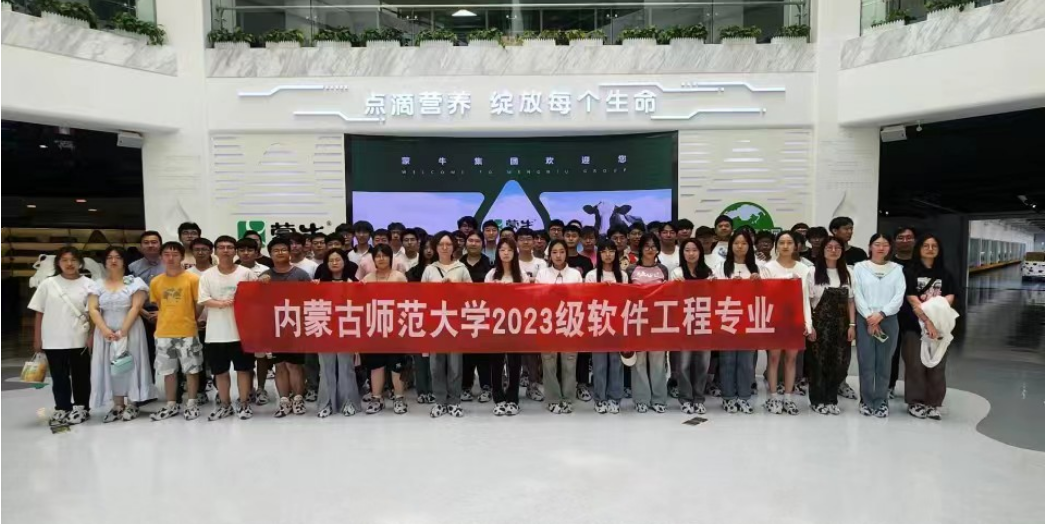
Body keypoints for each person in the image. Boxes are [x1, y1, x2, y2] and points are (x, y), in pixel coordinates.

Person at [88, 247, 156, 422]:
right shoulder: (97, 284)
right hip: (105, 331)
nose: (113, 261)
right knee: (110, 366)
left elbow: (135, 307)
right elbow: (93, 309)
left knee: (130, 364)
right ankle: (117, 404)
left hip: (131, 330)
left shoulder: (135, 282)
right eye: (109, 257)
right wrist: (105, 330)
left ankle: (133, 403)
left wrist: (123, 331)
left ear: (124, 261)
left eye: (118, 257)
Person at [30, 247, 94, 426]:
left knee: (81, 376)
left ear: (80, 262)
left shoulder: (89, 284)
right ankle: (62, 407)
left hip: (79, 339)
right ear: (58, 263)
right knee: (59, 377)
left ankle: (82, 407)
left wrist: (91, 336)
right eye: (65, 260)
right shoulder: (48, 284)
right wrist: (37, 338)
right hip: (53, 339)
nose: (69, 263)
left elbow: (94, 313)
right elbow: (39, 312)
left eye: (73, 260)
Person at [198, 236, 258, 421]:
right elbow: (204, 299)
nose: (225, 250)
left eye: (230, 247)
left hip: (242, 332)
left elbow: (257, 296)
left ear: (235, 251)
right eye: (222, 247)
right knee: (220, 372)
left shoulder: (246, 273)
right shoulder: (207, 275)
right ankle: (225, 405)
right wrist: (223, 303)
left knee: (244, 370)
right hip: (216, 333)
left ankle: (244, 403)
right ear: (215, 251)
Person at [713, 231, 769, 414]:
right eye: (736, 243)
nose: (740, 246)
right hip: (727, 319)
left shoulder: (759, 267)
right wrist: (728, 285)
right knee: (727, 360)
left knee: (746, 361)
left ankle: (744, 396)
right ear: (730, 246)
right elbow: (713, 292)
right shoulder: (721, 267)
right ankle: (728, 397)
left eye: (744, 243)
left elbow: (769, 292)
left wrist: (759, 283)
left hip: (749, 319)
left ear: (750, 246)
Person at [902, 234, 956, 421]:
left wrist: (936, 318)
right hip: (914, 326)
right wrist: (927, 321)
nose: (930, 249)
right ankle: (916, 402)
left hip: (940, 327)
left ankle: (933, 403)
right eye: (926, 245)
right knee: (915, 364)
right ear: (919, 249)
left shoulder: (945, 273)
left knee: (938, 365)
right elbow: (912, 299)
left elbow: (950, 297)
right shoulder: (909, 272)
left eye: (934, 246)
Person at [149, 242, 204, 421]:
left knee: (191, 369)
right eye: (166, 254)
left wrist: (190, 319)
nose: (170, 258)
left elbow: (199, 303)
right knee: (168, 371)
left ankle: (192, 403)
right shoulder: (156, 281)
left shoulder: (193, 279)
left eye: (175, 254)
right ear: (161, 257)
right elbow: (160, 305)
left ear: (182, 257)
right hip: (164, 332)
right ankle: (171, 404)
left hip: (187, 331)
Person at [853, 233, 906, 418]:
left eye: (885, 244)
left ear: (890, 248)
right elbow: (857, 293)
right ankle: (866, 400)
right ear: (870, 247)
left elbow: (899, 296)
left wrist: (881, 314)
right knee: (866, 361)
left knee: (884, 362)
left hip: (888, 319)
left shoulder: (897, 269)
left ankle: (881, 401)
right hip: (865, 319)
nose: (881, 248)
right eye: (877, 244)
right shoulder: (860, 268)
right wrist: (870, 316)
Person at [763, 232, 815, 416]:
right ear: (776, 246)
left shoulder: (804, 269)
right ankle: (773, 397)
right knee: (774, 358)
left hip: (795, 319)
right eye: (782, 242)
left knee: (791, 359)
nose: (785, 246)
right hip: (775, 319)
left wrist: (808, 323)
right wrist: (784, 283)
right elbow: (765, 295)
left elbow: (805, 299)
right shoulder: (768, 268)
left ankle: (788, 397)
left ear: (796, 246)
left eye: (789, 242)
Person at [260, 237, 313, 418]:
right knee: (279, 365)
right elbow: (257, 303)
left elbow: (311, 300)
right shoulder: (265, 276)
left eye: (283, 249)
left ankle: (298, 399)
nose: (280, 253)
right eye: (276, 250)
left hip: (296, 327)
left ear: (290, 252)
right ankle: (284, 401)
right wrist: (260, 286)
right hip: (274, 328)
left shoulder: (301, 275)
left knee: (295, 365)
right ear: (270, 254)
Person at [421, 232, 472, 418]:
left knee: (455, 365)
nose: (444, 247)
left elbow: (472, 293)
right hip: (435, 322)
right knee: (436, 364)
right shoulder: (429, 270)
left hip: (455, 321)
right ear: (435, 247)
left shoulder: (461, 268)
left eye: (448, 244)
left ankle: (454, 401)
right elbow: (422, 296)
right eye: (441, 244)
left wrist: (455, 287)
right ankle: (439, 401)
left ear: (454, 247)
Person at [806, 237, 856, 415]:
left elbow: (851, 301)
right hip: (819, 324)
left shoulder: (848, 273)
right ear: (823, 250)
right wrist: (809, 325)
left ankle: (831, 399)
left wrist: (852, 325)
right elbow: (807, 301)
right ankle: (817, 400)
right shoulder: (812, 272)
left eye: (837, 247)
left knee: (838, 363)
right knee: (818, 364)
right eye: (829, 247)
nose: (833, 250)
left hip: (842, 325)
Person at [360, 244, 410, 415]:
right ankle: (376, 398)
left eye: (384, 255)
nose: (381, 259)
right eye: (377, 256)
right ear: (373, 259)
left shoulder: (399, 277)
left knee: (396, 365)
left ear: (390, 258)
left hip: (396, 328)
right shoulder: (367, 279)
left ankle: (399, 397)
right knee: (376, 365)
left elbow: (407, 302)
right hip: (375, 328)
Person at [535, 239, 584, 414]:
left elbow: (581, 298)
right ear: (549, 255)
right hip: (548, 323)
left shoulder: (575, 274)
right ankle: (553, 398)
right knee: (549, 363)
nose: (558, 255)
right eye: (554, 252)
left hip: (570, 322)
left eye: (562, 252)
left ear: (566, 253)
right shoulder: (542, 274)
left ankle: (568, 398)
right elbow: (537, 297)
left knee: (570, 362)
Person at [626, 233, 671, 413]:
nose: (650, 249)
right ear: (641, 248)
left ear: (658, 249)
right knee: (640, 361)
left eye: (653, 246)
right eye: (647, 246)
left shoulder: (663, 269)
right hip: (637, 319)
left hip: (658, 320)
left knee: (658, 360)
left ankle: (659, 398)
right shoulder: (631, 270)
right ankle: (641, 398)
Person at [483, 238, 525, 416]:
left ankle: (513, 398)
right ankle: (498, 397)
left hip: (516, 324)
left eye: (509, 250)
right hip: (496, 324)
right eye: (502, 250)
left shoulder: (521, 275)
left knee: (515, 362)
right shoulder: (491, 274)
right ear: (497, 253)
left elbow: (527, 300)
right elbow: (485, 300)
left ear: (515, 252)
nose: (506, 253)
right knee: (496, 362)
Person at [584, 239, 627, 414]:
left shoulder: (622, 275)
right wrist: (601, 290)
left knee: (616, 363)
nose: (608, 255)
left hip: (617, 323)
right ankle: (600, 398)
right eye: (604, 251)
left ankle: (614, 398)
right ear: (599, 254)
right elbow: (586, 299)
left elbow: (626, 299)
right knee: (599, 363)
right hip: (598, 323)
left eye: (611, 251)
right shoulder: (591, 275)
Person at [671, 238, 713, 415]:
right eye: (687, 250)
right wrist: (677, 286)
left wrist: (713, 285)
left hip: (704, 323)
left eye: (694, 250)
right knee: (683, 365)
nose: (691, 253)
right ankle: (686, 398)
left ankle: (699, 398)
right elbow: (671, 298)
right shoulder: (677, 272)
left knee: (703, 364)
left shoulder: (708, 272)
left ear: (700, 252)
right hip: (684, 323)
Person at [459, 231, 495, 403]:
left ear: (483, 244)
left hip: (484, 314)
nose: (473, 244)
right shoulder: (458, 264)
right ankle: (465, 386)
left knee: (484, 352)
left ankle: (486, 386)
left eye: (477, 241)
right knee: (466, 353)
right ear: (466, 243)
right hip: (462, 314)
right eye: (470, 240)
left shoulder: (490, 265)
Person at [129, 230, 164, 379]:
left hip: (167, 313)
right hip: (141, 313)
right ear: (140, 246)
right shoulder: (132, 267)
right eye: (146, 243)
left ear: (160, 244)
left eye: (154, 242)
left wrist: (162, 312)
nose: (150, 245)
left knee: (171, 350)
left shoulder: (170, 265)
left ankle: (176, 387)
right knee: (145, 350)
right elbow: (128, 292)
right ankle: (149, 385)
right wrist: (142, 311)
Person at [406, 237, 436, 405]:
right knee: (420, 357)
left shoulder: (441, 270)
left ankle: (434, 389)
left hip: (438, 316)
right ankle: (422, 390)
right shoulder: (413, 272)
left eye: (432, 247)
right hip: (418, 316)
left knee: (435, 356)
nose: (429, 251)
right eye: (426, 247)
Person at [889, 226, 918, 397]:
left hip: (915, 317)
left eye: (909, 237)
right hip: (891, 316)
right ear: (894, 241)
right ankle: (889, 386)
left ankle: (914, 392)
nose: (905, 241)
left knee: (914, 356)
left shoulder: (921, 264)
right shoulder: (888, 264)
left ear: (915, 241)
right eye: (901, 237)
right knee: (890, 354)